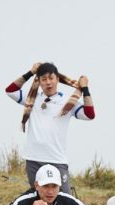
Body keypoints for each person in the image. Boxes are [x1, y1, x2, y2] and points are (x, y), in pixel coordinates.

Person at [5, 62, 96, 194]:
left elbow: (89, 115)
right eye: (44, 79)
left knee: (65, 199)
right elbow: (10, 90)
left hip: (56, 159)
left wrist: (85, 88)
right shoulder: (32, 97)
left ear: (57, 79)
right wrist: (30, 73)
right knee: (39, 198)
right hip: (33, 159)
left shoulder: (69, 101)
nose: (48, 82)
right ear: (39, 81)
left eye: (51, 78)